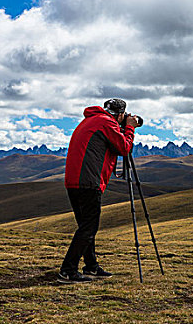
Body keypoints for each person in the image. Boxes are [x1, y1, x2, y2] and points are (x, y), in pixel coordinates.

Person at [58, 98, 139, 284]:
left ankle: (91, 266)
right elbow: (124, 148)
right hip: (88, 181)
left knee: (86, 226)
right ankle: (68, 270)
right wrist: (130, 128)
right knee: (88, 227)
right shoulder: (107, 122)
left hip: (74, 181)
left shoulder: (91, 120)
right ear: (120, 114)